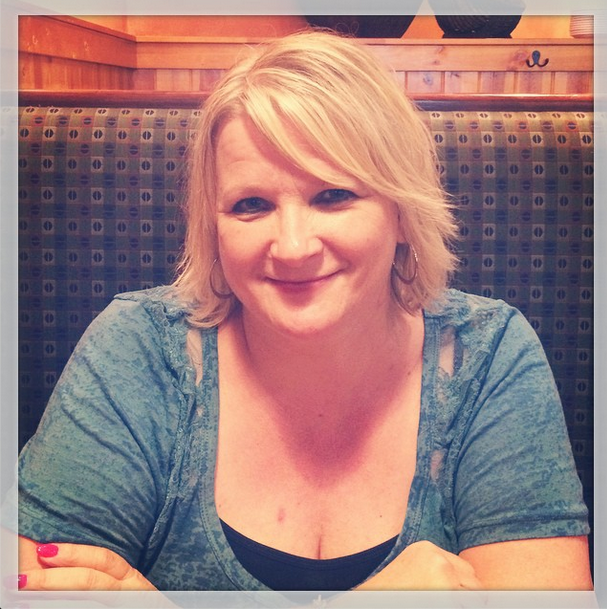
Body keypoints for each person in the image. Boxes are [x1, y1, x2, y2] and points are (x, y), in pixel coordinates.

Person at [17, 30, 592, 593]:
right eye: (251, 204)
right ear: (213, 227)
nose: (293, 247)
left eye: (333, 195)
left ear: (401, 211)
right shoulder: (139, 348)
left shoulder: (488, 356)